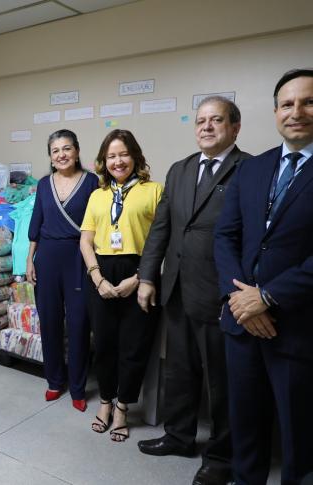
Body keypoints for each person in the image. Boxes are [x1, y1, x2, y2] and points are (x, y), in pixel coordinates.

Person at [135, 97, 249, 485]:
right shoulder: (180, 170)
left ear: (234, 127)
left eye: (216, 120)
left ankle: (221, 456)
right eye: (201, 120)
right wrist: (148, 276)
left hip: (223, 294)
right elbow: (161, 229)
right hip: (177, 290)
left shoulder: (250, 169)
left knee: (222, 380)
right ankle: (179, 436)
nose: (206, 127)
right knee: (180, 370)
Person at [214, 68, 313, 485]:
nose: (297, 112)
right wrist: (240, 299)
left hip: (297, 327)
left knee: (299, 435)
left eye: (308, 102)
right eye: (287, 104)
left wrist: (268, 297)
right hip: (242, 323)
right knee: (246, 423)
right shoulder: (253, 169)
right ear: (275, 112)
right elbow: (225, 236)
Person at [79, 129, 162, 442]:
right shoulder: (97, 195)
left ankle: (123, 408)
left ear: (135, 157)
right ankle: (104, 403)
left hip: (140, 273)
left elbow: (160, 240)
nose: (118, 161)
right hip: (100, 272)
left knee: (134, 347)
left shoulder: (154, 191)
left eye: (123, 154)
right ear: (103, 161)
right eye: (111, 156)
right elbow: (86, 240)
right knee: (103, 346)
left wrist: (139, 277)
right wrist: (97, 278)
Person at [26, 129, 97, 412]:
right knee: (51, 322)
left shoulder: (92, 182)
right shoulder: (44, 184)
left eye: (67, 149)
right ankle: (54, 381)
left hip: (78, 257)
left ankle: (78, 387)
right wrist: (30, 259)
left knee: (79, 324)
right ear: (51, 157)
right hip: (47, 258)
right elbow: (36, 223)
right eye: (56, 151)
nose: (62, 155)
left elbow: (97, 225)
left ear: (77, 151)